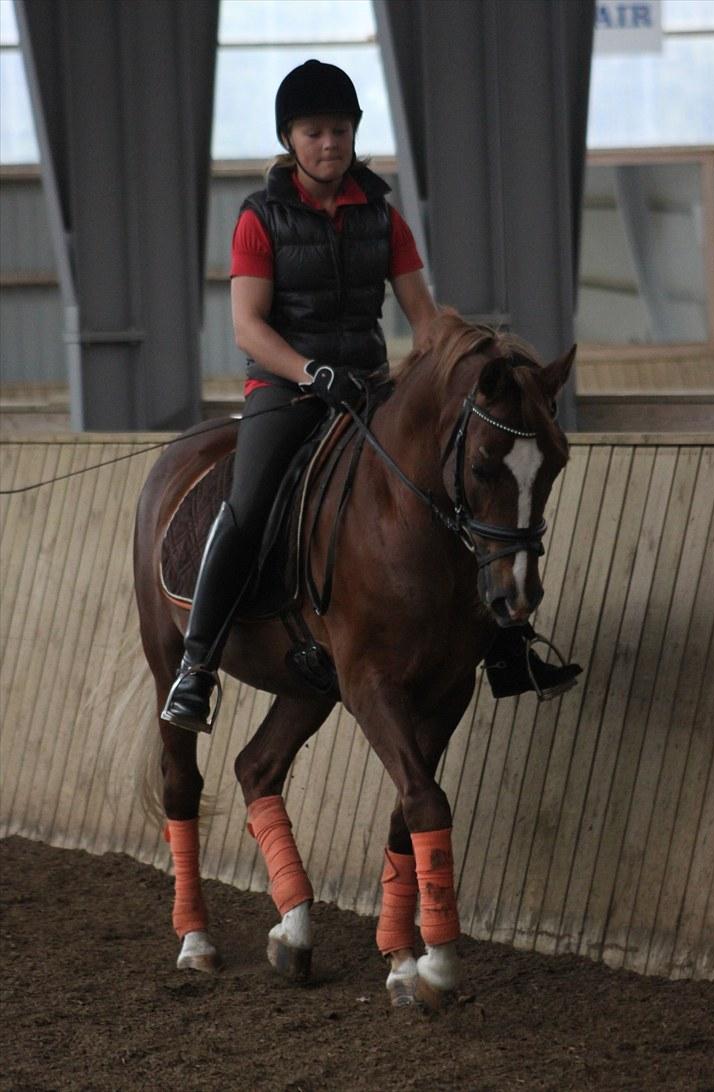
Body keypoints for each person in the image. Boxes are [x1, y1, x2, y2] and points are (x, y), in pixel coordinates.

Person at [162, 60, 579, 734]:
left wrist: (467, 365)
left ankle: (506, 644)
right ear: (289, 138)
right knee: (248, 506)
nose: (329, 143)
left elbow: (425, 319)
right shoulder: (258, 216)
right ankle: (197, 666)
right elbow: (248, 325)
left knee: (459, 485)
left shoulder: (383, 218)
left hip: (367, 385)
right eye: (314, 131)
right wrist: (309, 372)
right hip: (285, 389)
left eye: (340, 130)